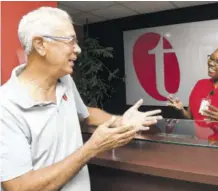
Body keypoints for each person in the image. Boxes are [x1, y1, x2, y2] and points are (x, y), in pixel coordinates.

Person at [0, 7, 162, 191]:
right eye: (70, 41)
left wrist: (119, 120)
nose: (77, 49)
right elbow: (20, 187)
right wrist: (91, 148)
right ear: (40, 45)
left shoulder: (64, 80)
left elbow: (86, 114)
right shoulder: (5, 107)